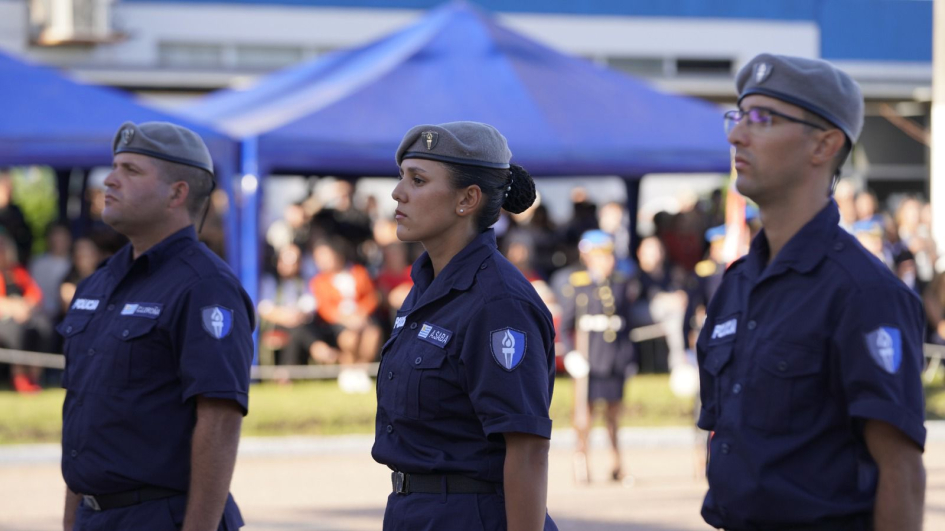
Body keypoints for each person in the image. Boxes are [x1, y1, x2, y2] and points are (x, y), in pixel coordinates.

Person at [699, 54, 926, 530]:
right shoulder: (736, 285)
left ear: (824, 144)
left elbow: (900, 474)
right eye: (738, 117)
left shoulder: (863, 293)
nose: (737, 135)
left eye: (761, 119)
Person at [58, 122, 254, 531]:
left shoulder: (205, 287)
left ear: (177, 193)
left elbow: (218, 421)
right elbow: (84, 414)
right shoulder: (99, 282)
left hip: (162, 517)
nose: (109, 180)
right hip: (95, 517)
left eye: (130, 170)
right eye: (113, 166)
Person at [373, 121, 557, 531]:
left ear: (467, 199)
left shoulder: (498, 302)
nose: (398, 193)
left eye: (418, 180)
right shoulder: (425, 287)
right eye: (401, 177)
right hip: (413, 512)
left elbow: (527, 450)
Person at [560, 230, 639, 484]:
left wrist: (629, 358)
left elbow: (625, 324)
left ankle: (617, 465)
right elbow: (565, 326)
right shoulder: (578, 283)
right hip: (589, 358)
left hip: (613, 357)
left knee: (614, 416)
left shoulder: (620, 282)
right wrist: (571, 355)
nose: (607, 260)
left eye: (608, 255)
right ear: (589, 257)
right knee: (584, 417)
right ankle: (581, 463)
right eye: (600, 256)